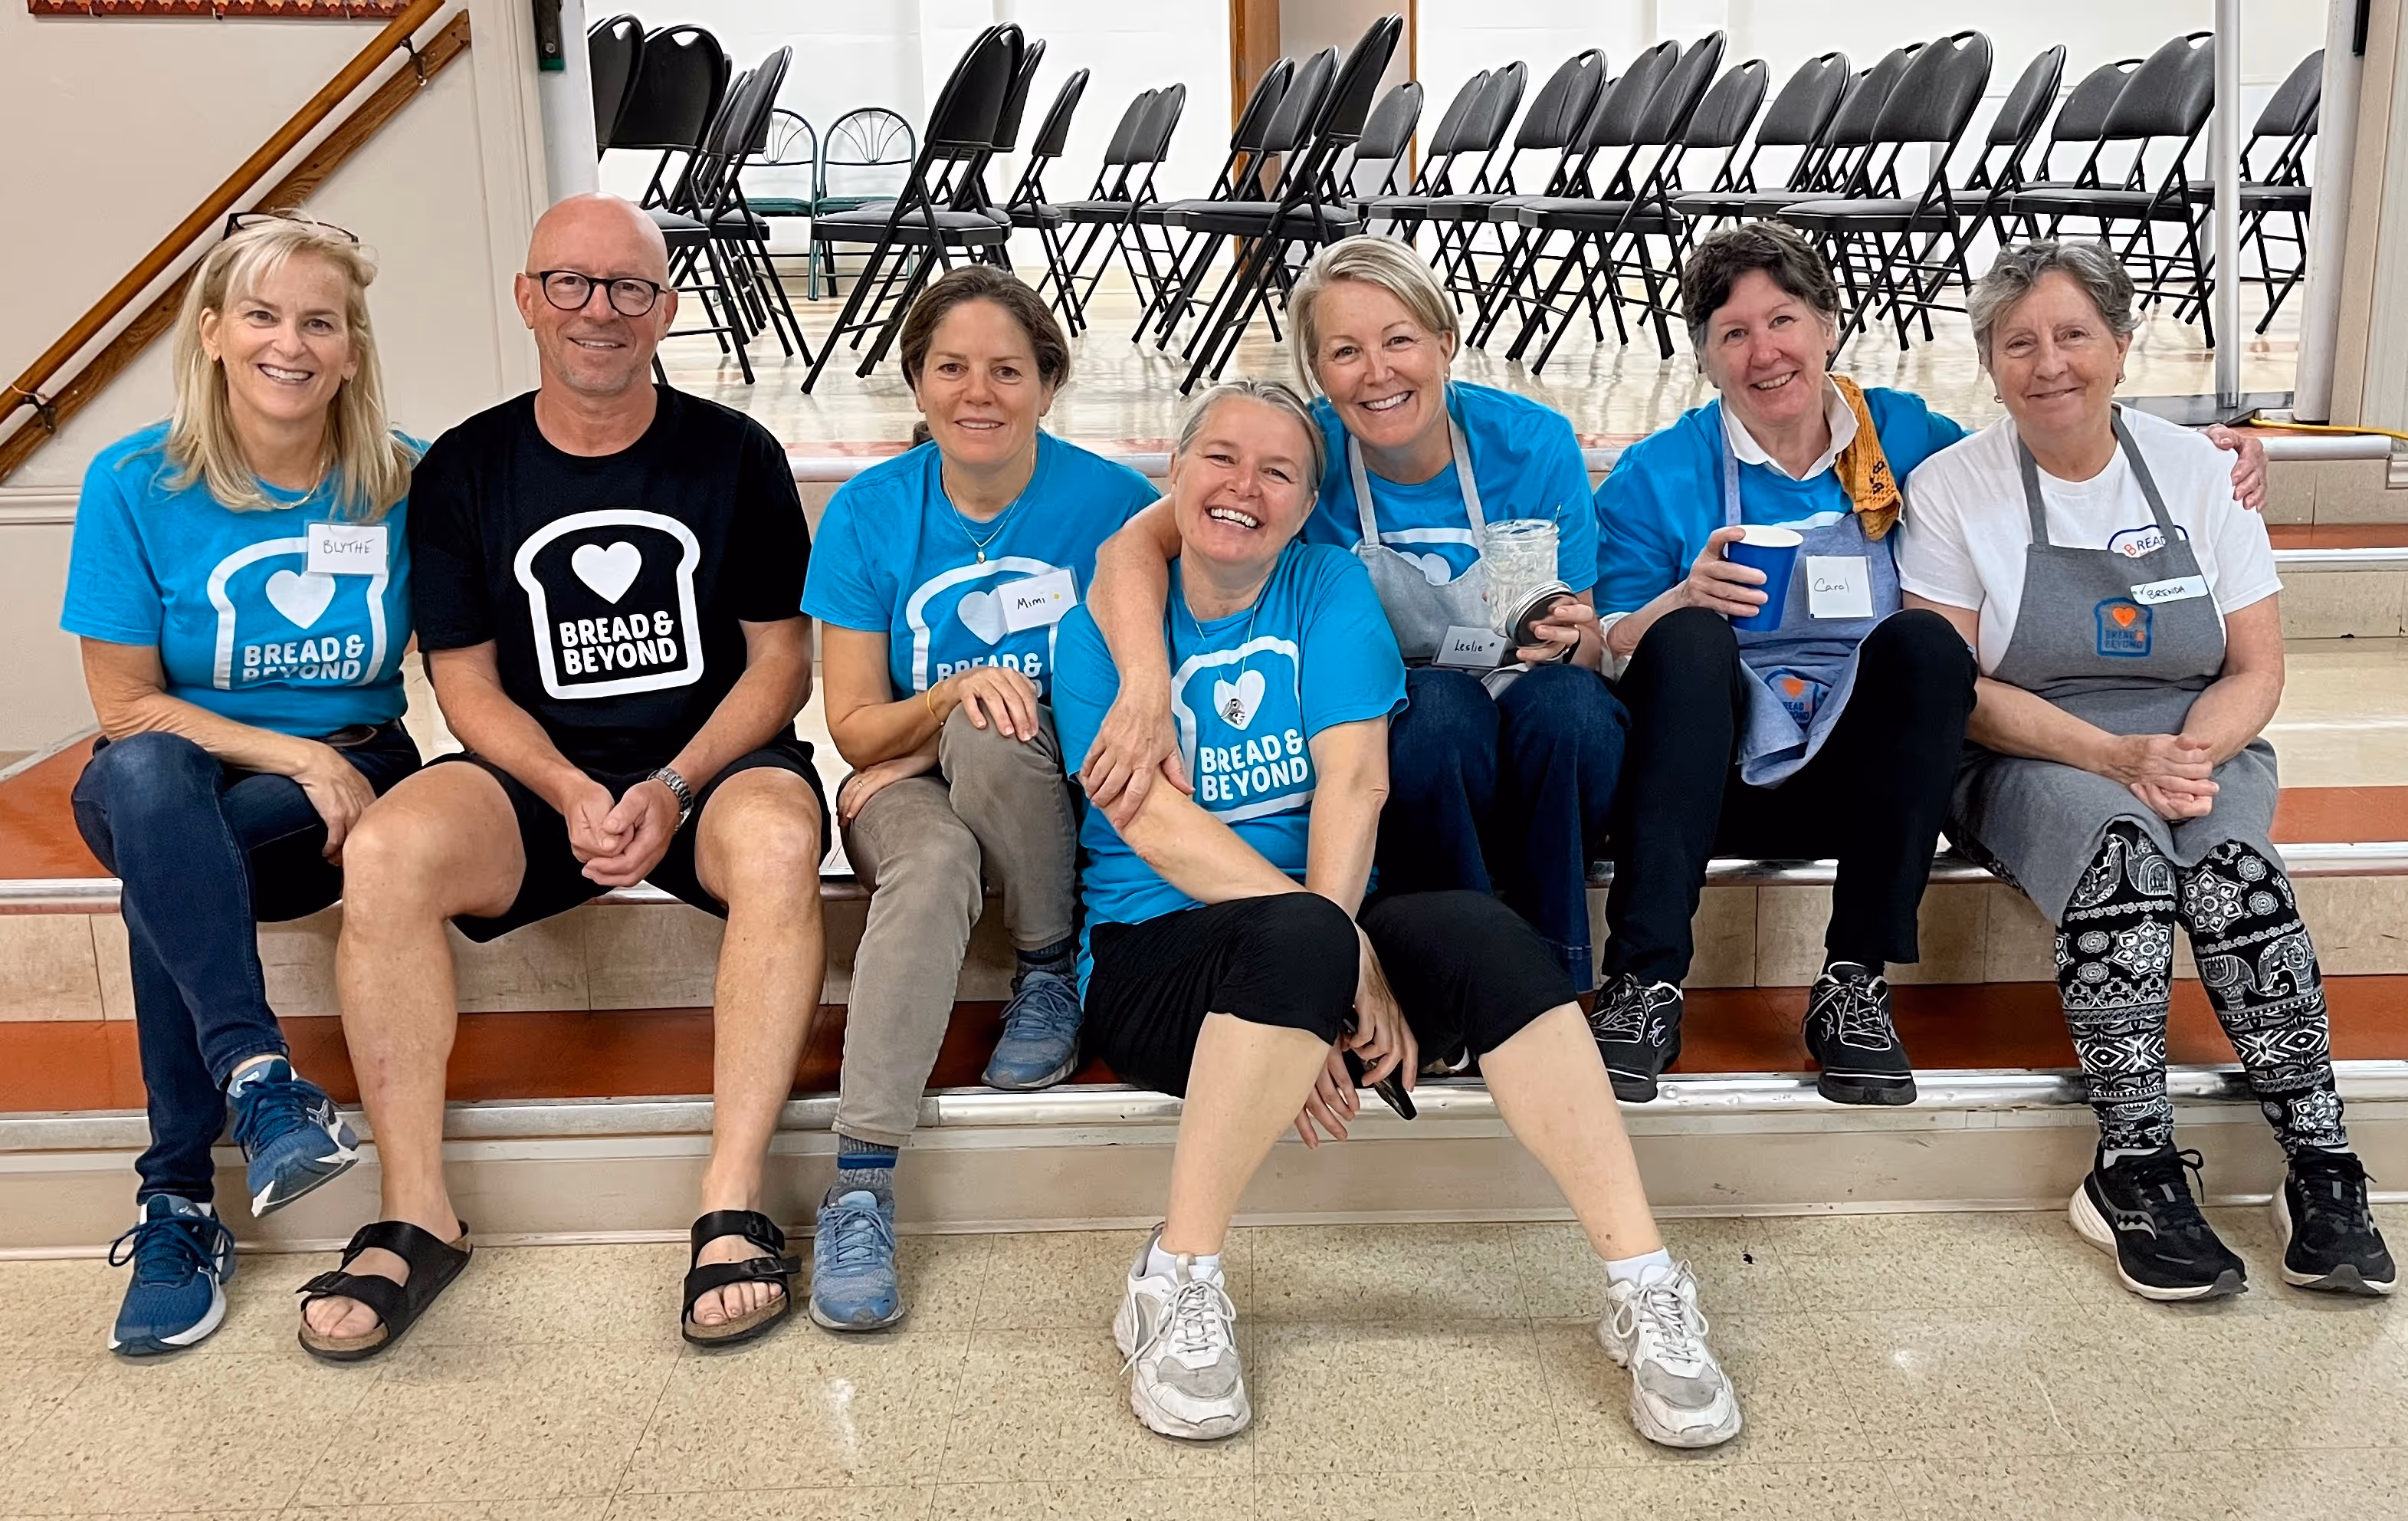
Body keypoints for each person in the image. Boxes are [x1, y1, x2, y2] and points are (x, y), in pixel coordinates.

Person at [1052, 379, 1742, 1449]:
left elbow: (1356, 784)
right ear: (1173, 474)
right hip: (1154, 954)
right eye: (1220, 459)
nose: (1244, 487)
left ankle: (1644, 1283)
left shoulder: (1326, 584)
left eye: (1278, 471)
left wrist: (1337, 951)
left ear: (1305, 499)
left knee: (1489, 937)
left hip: (1319, 925)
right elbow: (1151, 825)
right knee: (1301, 935)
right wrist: (1336, 955)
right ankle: (1174, 1277)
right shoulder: (1104, 624)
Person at [294, 194, 830, 1358]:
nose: (601, 310)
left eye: (630, 287)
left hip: (710, 772)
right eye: (573, 285)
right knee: (384, 850)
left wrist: (674, 787)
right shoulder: (465, 470)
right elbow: (464, 680)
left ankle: (730, 1200)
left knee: (785, 844)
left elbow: (781, 665)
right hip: (533, 779)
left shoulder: (736, 455)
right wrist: (565, 788)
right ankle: (414, 1210)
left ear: (666, 309)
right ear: (528, 300)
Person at [1587, 223, 2268, 1105]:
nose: (1765, 353)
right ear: (1706, 358)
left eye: (1784, 320)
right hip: (1705, 788)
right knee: (1687, 638)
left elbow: (2053, 430)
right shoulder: (1655, 473)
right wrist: (1676, 601)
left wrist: (2205, 454)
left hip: (1866, 785)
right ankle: (1644, 982)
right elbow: (1601, 642)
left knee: (1924, 645)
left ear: (1829, 324)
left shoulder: (1909, 438)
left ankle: (1853, 984)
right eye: (1734, 334)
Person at [1900, 240, 2392, 1302]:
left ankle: (2320, 1164)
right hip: (2031, 747)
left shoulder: (2195, 469)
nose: (2048, 364)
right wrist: (2110, 757)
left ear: (2121, 346)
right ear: (1987, 364)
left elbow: (2256, 666)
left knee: (2234, 879)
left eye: (2073, 335)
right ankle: (2132, 1167)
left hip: (2194, 737)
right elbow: (1959, 689)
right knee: (2123, 863)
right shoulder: (1952, 488)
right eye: (2016, 343)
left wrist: (2184, 755)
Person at [61, 213, 423, 1356]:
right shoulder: (134, 482)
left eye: (321, 321)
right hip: (179, 767)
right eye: (263, 315)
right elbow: (124, 708)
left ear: (352, 349)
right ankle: (263, 1080)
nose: (292, 343)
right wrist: (290, 750)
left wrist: (328, 756)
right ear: (213, 332)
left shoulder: (400, 480)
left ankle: (175, 1197)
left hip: (350, 770)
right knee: (158, 779)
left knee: (164, 874)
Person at [1082, 235, 1623, 990]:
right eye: (1344, 352)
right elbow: (1125, 555)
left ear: (1445, 342)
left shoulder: (1531, 444)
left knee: (1572, 704)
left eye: (1399, 340)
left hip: (1528, 722)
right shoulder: (1299, 457)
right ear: (1318, 375)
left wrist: (1570, 641)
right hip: (1405, 738)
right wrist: (1144, 691)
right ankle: (1462, 973)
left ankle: (1556, 974)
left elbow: (1589, 646)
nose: (1376, 373)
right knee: (1435, 707)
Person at [799, 266, 1157, 1330]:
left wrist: (961, 721)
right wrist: (952, 699)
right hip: (906, 789)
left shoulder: (1111, 505)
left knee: (995, 736)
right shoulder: (868, 513)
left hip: (1052, 782)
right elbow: (853, 727)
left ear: (1048, 384)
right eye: (951, 367)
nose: (978, 392)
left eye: (1007, 369)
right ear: (915, 380)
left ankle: (1047, 968)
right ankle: (860, 1180)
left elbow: (1160, 666)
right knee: (937, 855)